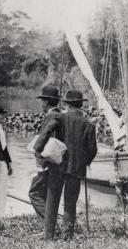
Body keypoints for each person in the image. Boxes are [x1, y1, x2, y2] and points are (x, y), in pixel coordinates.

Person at [34, 90, 97, 240]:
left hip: (58, 165)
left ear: (67, 104)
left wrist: (38, 150)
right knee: (70, 202)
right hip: (76, 168)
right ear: (81, 105)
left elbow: (46, 133)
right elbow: (93, 149)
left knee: (52, 199)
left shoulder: (59, 117)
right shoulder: (88, 124)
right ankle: (67, 236)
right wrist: (85, 162)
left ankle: (49, 235)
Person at [28, 85, 62, 221]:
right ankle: (50, 226)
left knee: (34, 193)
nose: (41, 103)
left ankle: (48, 226)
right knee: (48, 194)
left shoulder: (53, 116)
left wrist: (38, 155)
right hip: (56, 163)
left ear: (46, 102)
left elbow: (46, 137)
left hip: (47, 163)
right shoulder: (60, 114)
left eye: (42, 100)